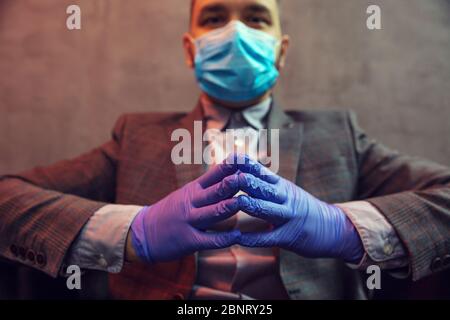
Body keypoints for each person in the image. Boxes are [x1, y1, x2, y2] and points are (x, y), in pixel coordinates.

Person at [0, 0, 449, 300]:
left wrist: (345, 230)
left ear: (281, 51)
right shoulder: (136, 136)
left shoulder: (339, 135)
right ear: (190, 50)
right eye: (214, 18)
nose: (235, 31)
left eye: (256, 18)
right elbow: (7, 197)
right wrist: (131, 233)